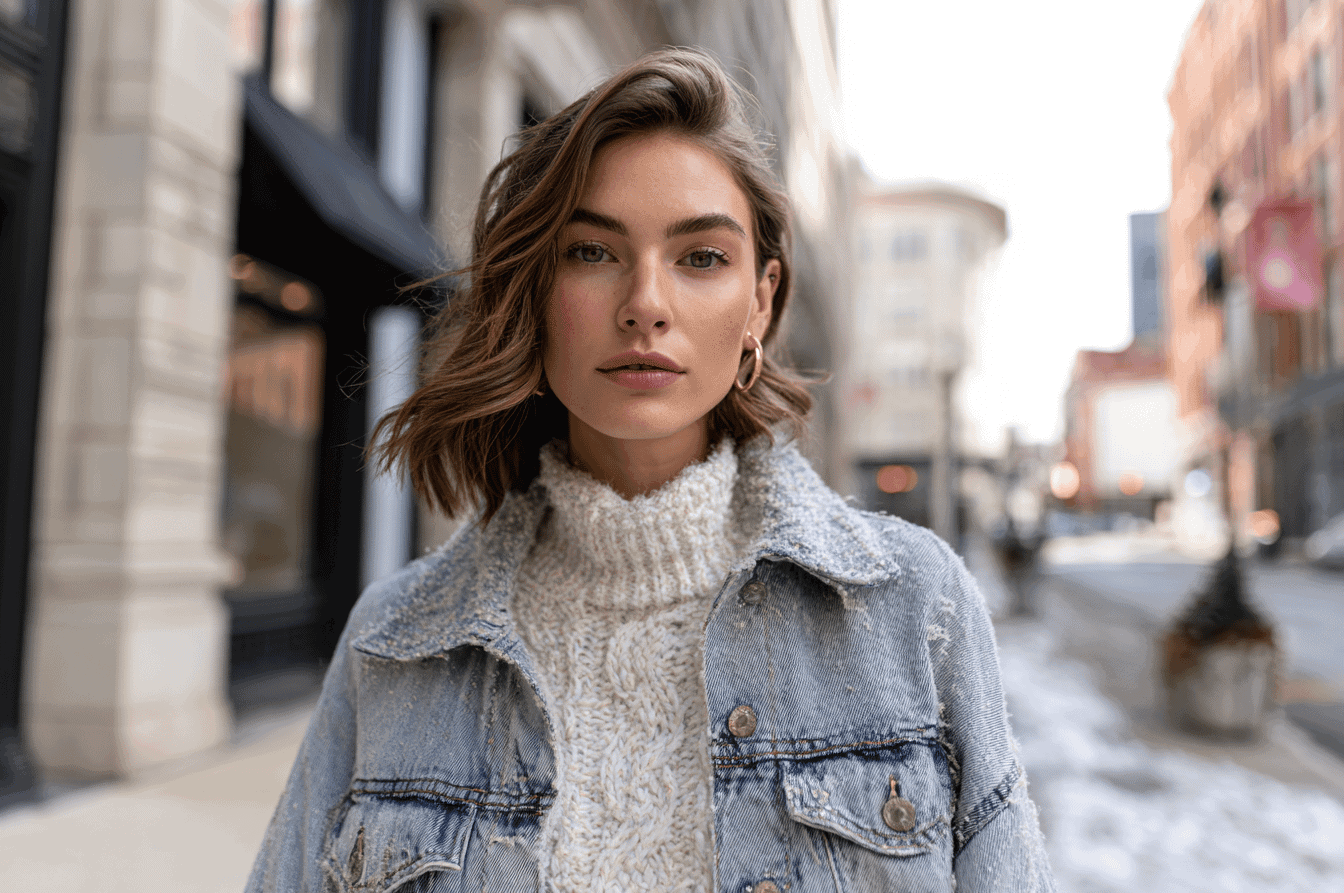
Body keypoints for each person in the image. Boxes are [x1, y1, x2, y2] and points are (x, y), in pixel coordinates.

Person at [246, 48, 1056, 893]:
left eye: (701, 258)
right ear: (533, 290)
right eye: (592, 253)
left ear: (761, 303)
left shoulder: (911, 607)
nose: (646, 303)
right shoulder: (395, 644)